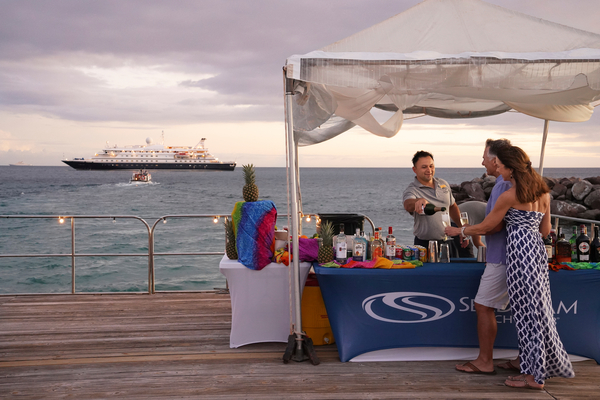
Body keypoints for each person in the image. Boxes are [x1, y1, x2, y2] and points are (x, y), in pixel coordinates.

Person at [446, 145, 575, 390]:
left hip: (517, 255)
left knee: (526, 315)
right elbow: (545, 231)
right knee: (537, 312)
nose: (499, 169)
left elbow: (487, 227)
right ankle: (534, 368)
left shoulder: (510, 195)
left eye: (502, 166)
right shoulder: (544, 193)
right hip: (536, 254)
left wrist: (459, 230)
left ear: (510, 168)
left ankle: (534, 377)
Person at [454, 139, 513, 375]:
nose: (482, 162)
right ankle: (524, 359)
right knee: (524, 309)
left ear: (496, 160)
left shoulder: (501, 186)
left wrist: (461, 230)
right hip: (522, 257)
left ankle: (485, 361)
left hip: (501, 257)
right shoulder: (520, 185)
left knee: (483, 305)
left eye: (485, 158)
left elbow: (495, 227)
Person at [402, 151, 467, 256]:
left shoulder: (443, 184)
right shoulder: (412, 190)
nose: (429, 170)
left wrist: (462, 230)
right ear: (415, 170)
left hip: (447, 241)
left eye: (431, 166)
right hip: (424, 246)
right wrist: (417, 201)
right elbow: (408, 204)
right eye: (424, 167)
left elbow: (452, 207)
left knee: (450, 272)